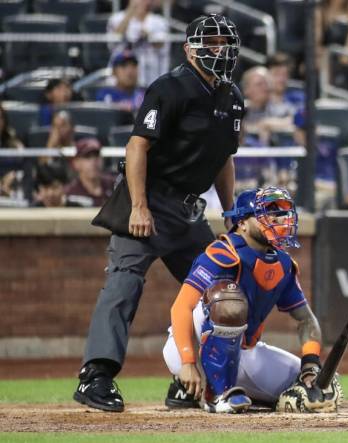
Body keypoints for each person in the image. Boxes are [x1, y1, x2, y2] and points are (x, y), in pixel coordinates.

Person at [73, 14, 245, 413]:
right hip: (149, 198)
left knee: (220, 286)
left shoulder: (232, 95)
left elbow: (225, 158)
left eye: (224, 42)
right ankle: (95, 376)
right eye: (210, 42)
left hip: (188, 210)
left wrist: (231, 208)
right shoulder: (171, 87)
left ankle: (190, 378)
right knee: (124, 282)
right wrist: (138, 205)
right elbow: (137, 147)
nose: (218, 49)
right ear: (189, 49)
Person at [162, 187, 342, 413]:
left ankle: (209, 393)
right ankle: (215, 393)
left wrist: (310, 364)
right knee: (228, 300)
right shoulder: (222, 252)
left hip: (245, 352)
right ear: (243, 223)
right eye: (267, 212)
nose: (277, 219)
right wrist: (187, 362)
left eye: (279, 213)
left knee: (319, 388)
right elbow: (181, 307)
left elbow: (306, 320)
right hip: (191, 346)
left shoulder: (283, 264)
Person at [107, 0, 170, 87]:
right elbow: (113, 39)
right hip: (121, 80)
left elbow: (161, 44)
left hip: (151, 77)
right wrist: (130, 12)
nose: (141, 2)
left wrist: (148, 36)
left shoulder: (159, 21)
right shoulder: (117, 18)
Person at [64, 138, 116, 207]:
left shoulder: (114, 185)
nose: (93, 162)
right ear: (76, 163)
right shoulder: (70, 194)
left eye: (96, 156)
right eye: (87, 157)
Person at [95, 49, 146, 114]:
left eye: (134, 65)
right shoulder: (105, 94)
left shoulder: (147, 94)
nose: (130, 71)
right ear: (114, 71)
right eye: (124, 66)